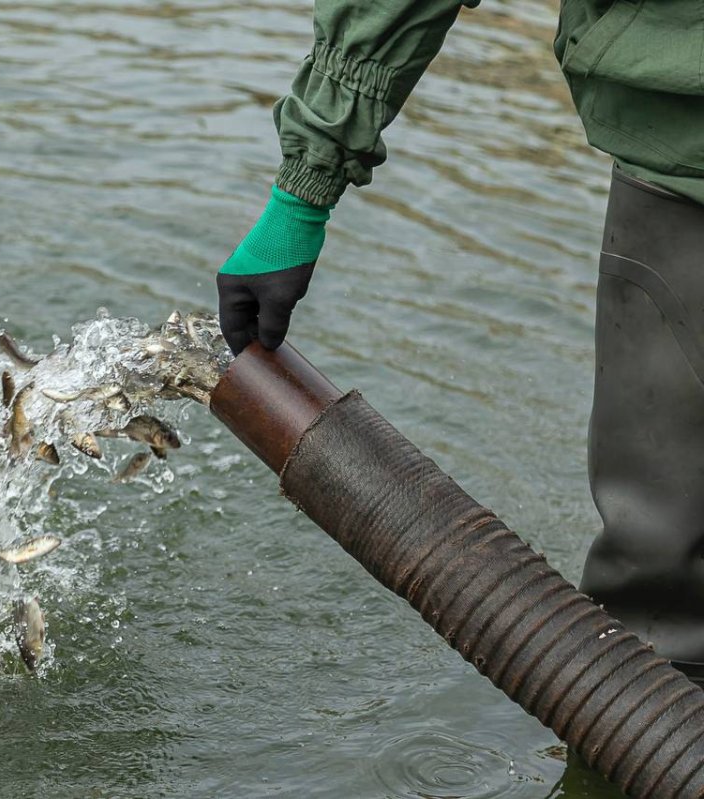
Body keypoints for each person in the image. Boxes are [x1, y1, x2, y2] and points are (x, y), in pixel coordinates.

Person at [216, 0, 704, 682]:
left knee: (662, 611)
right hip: (684, 161)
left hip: (681, 162)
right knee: (665, 610)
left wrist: (300, 197)